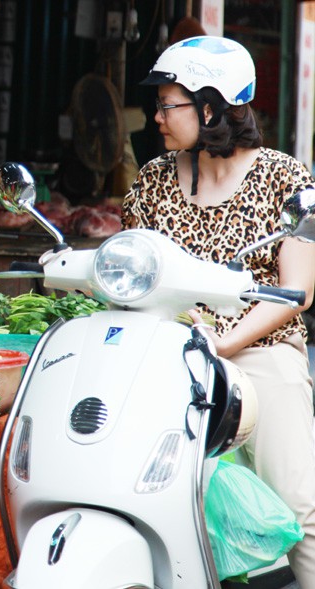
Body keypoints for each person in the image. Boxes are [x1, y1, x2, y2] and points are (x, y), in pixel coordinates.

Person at [123, 36, 315, 585]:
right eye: (158, 105)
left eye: (168, 105)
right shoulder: (155, 179)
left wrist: (223, 346)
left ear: (210, 108)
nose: (156, 116)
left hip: (258, 352)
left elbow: (296, 291)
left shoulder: (287, 179)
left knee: (299, 501)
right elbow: (131, 266)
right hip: (163, 355)